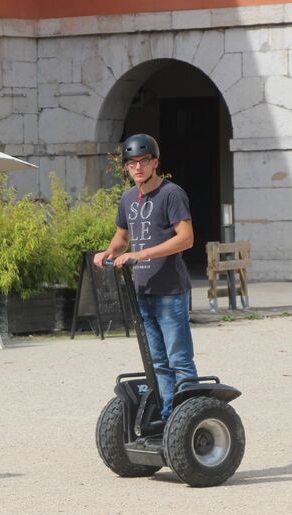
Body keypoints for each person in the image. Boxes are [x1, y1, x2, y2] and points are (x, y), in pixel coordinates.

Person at [93, 134, 197, 421]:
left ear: (155, 163)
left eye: (143, 161)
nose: (137, 168)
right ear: (126, 167)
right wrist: (108, 252)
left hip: (170, 291)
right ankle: (167, 421)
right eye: (131, 163)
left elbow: (186, 239)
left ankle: (187, 420)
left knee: (180, 361)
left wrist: (142, 255)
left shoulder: (171, 193)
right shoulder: (128, 198)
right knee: (158, 363)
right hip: (142, 291)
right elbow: (122, 237)